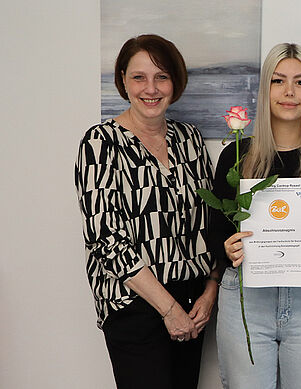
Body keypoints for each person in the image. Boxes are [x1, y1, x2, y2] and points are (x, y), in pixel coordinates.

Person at [210, 43, 301, 389]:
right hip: (245, 296)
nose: (290, 92)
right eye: (279, 81)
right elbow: (214, 233)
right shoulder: (236, 154)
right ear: (265, 90)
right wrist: (227, 247)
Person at [74, 34, 218, 389]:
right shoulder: (100, 143)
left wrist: (210, 290)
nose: (150, 88)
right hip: (134, 304)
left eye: (162, 77)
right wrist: (168, 310)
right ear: (123, 80)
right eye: (139, 77)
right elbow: (106, 241)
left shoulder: (191, 140)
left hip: (192, 303)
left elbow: (212, 222)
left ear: (175, 82)